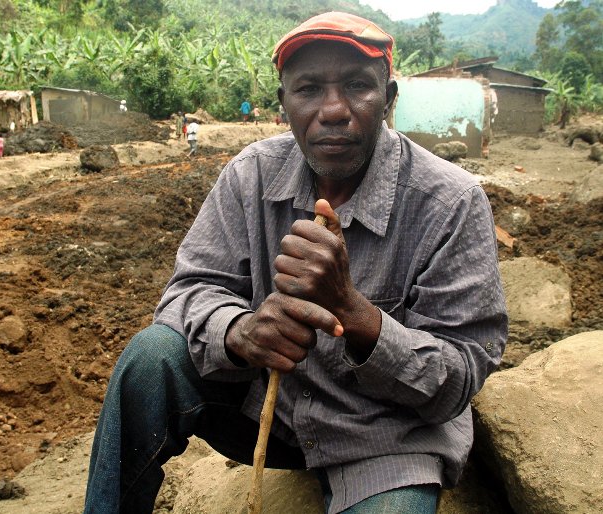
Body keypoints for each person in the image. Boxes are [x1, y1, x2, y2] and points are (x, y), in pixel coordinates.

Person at [84, 11, 507, 514]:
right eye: (307, 89)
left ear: (389, 100)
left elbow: (459, 375)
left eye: (356, 86)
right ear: (283, 104)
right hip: (275, 417)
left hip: (387, 438)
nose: (333, 110)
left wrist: (354, 313)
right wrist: (238, 332)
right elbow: (187, 293)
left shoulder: (452, 203)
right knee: (151, 358)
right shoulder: (250, 176)